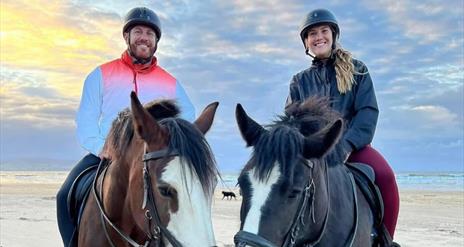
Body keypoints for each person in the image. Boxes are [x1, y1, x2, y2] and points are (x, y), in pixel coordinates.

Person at [56, 7, 195, 246]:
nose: (144, 37)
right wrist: (102, 147)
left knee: (184, 202)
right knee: (63, 196)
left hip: (151, 158)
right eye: (138, 31)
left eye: (150, 34)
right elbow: (86, 121)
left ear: (156, 41)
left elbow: (188, 117)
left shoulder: (171, 83)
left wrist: (169, 147)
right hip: (107, 156)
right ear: (127, 37)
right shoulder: (100, 74)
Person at [285, 8, 400, 245]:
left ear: (333, 35)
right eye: (312, 34)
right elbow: (291, 119)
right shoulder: (299, 80)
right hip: (315, 149)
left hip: (353, 146)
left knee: (386, 176)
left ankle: (386, 240)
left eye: (323, 31)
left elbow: (368, 111)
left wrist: (347, 144)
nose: (319, 37)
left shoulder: (358, 70)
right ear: (306, 42)